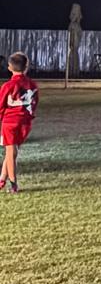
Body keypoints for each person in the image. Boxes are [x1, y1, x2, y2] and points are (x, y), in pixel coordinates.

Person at [1, 53, 40, 194]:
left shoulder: (8, 85)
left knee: (10, 151)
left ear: (9, 68)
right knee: (12, 151)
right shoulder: (33, 85)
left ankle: (13, 185)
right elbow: (35, 102)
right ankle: (2, 179)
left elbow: (1, 105)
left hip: (10, 122)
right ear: (26, 67)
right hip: (25, 123)